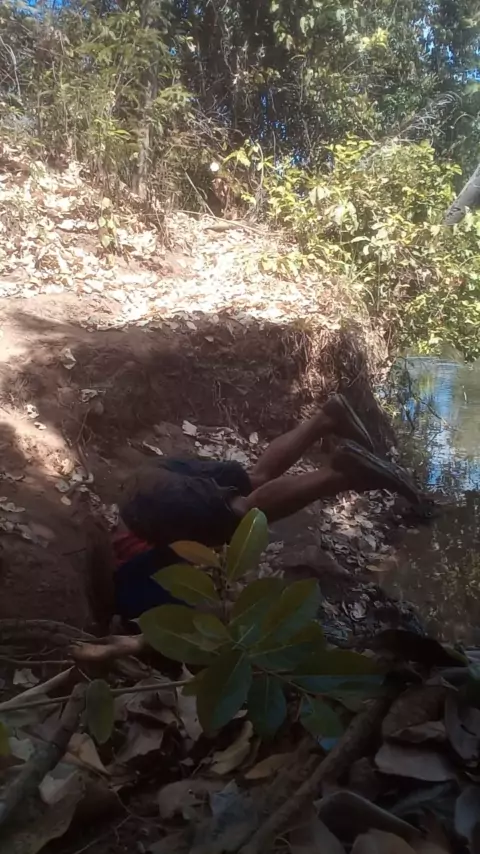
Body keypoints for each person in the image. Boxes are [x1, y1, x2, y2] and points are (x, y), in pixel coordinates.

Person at [88, 394, 426, 624]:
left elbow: (216, 614)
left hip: (148, 506)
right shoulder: (144, 585)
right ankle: (327, 417)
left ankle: (342, 474)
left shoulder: (138, 598)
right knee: (254, 480)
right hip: (153, 478)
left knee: (239, 515)